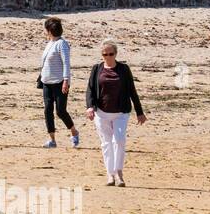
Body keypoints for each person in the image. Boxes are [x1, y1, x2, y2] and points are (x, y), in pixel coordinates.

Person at [85, 40, 147, 187]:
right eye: (104, 54)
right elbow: (90, 89)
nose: (107, 57)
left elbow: (132, 91)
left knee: (118, 140)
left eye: (110, 54)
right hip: (101, 113)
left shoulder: (124, 69)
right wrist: (90, 107)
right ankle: (110, 174)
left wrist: (140, 112)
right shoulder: (96, 69)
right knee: (106, 143)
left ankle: (119, 173)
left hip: (120, 112)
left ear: (116, 54)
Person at [38, 17, 80, 149]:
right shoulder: (49, 43)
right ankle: (52, 140)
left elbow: (66, 63)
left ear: (49, 30)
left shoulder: (62, 44)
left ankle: (74, 132)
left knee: (60, 111)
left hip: (60, 82)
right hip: (46, 82)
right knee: (47, 110)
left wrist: (66, 80)